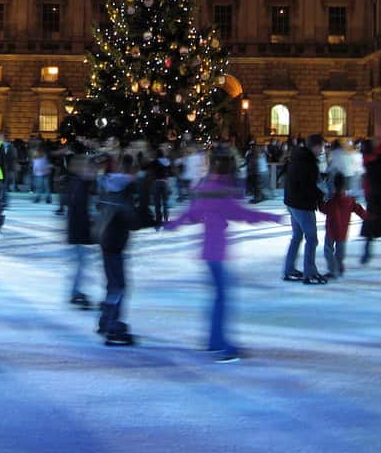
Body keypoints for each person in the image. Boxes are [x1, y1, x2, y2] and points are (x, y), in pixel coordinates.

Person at [165, 146, 283, 363]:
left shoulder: (208, 186)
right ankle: (221, 345)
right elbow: (243, 213)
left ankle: (213, 341)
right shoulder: (218, 190)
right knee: (222, 299)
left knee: (219, 297)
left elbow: (192, 214)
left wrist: (173, 224)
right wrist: (271, 217)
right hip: (216, 252)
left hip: (210, 251)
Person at [96, 152, 139, 345]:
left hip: (107, 242)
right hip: (114, 243)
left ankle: (106, 321)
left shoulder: (106, 187)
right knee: (119, 286)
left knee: (112, 284)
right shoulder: (122, 193)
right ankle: (112, 326)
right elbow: (132, 220)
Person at [282, 134, 328, 284]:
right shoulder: (307, 162)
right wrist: (321, 195)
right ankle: (310, 272)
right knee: (312, 239)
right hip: (302, 205)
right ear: (315, 146)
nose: (322, 149)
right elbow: (307, 186)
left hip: (292, 202)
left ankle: (289, 269)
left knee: (297, 237)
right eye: (321, 146)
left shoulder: (298, 157)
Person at [319, 171, 368, 278]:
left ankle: (333, 270)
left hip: (331, 230)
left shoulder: (331, 201)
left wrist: (320, 200)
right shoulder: (349, 201)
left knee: (328, 250)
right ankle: (339, 267)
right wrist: (367, 217)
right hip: (343, 230)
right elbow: (358, 209)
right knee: (340, 251)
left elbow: (323, 209)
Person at [65, 143, 96, 309]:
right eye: (90, 169)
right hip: (78, 231)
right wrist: (89, 228)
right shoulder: (79, 186)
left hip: (77, 231)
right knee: (81, 263)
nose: (94, 172)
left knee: (81, 264)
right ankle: (75, 292)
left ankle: (76, 291)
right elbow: (78, 212)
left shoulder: (79, 184)